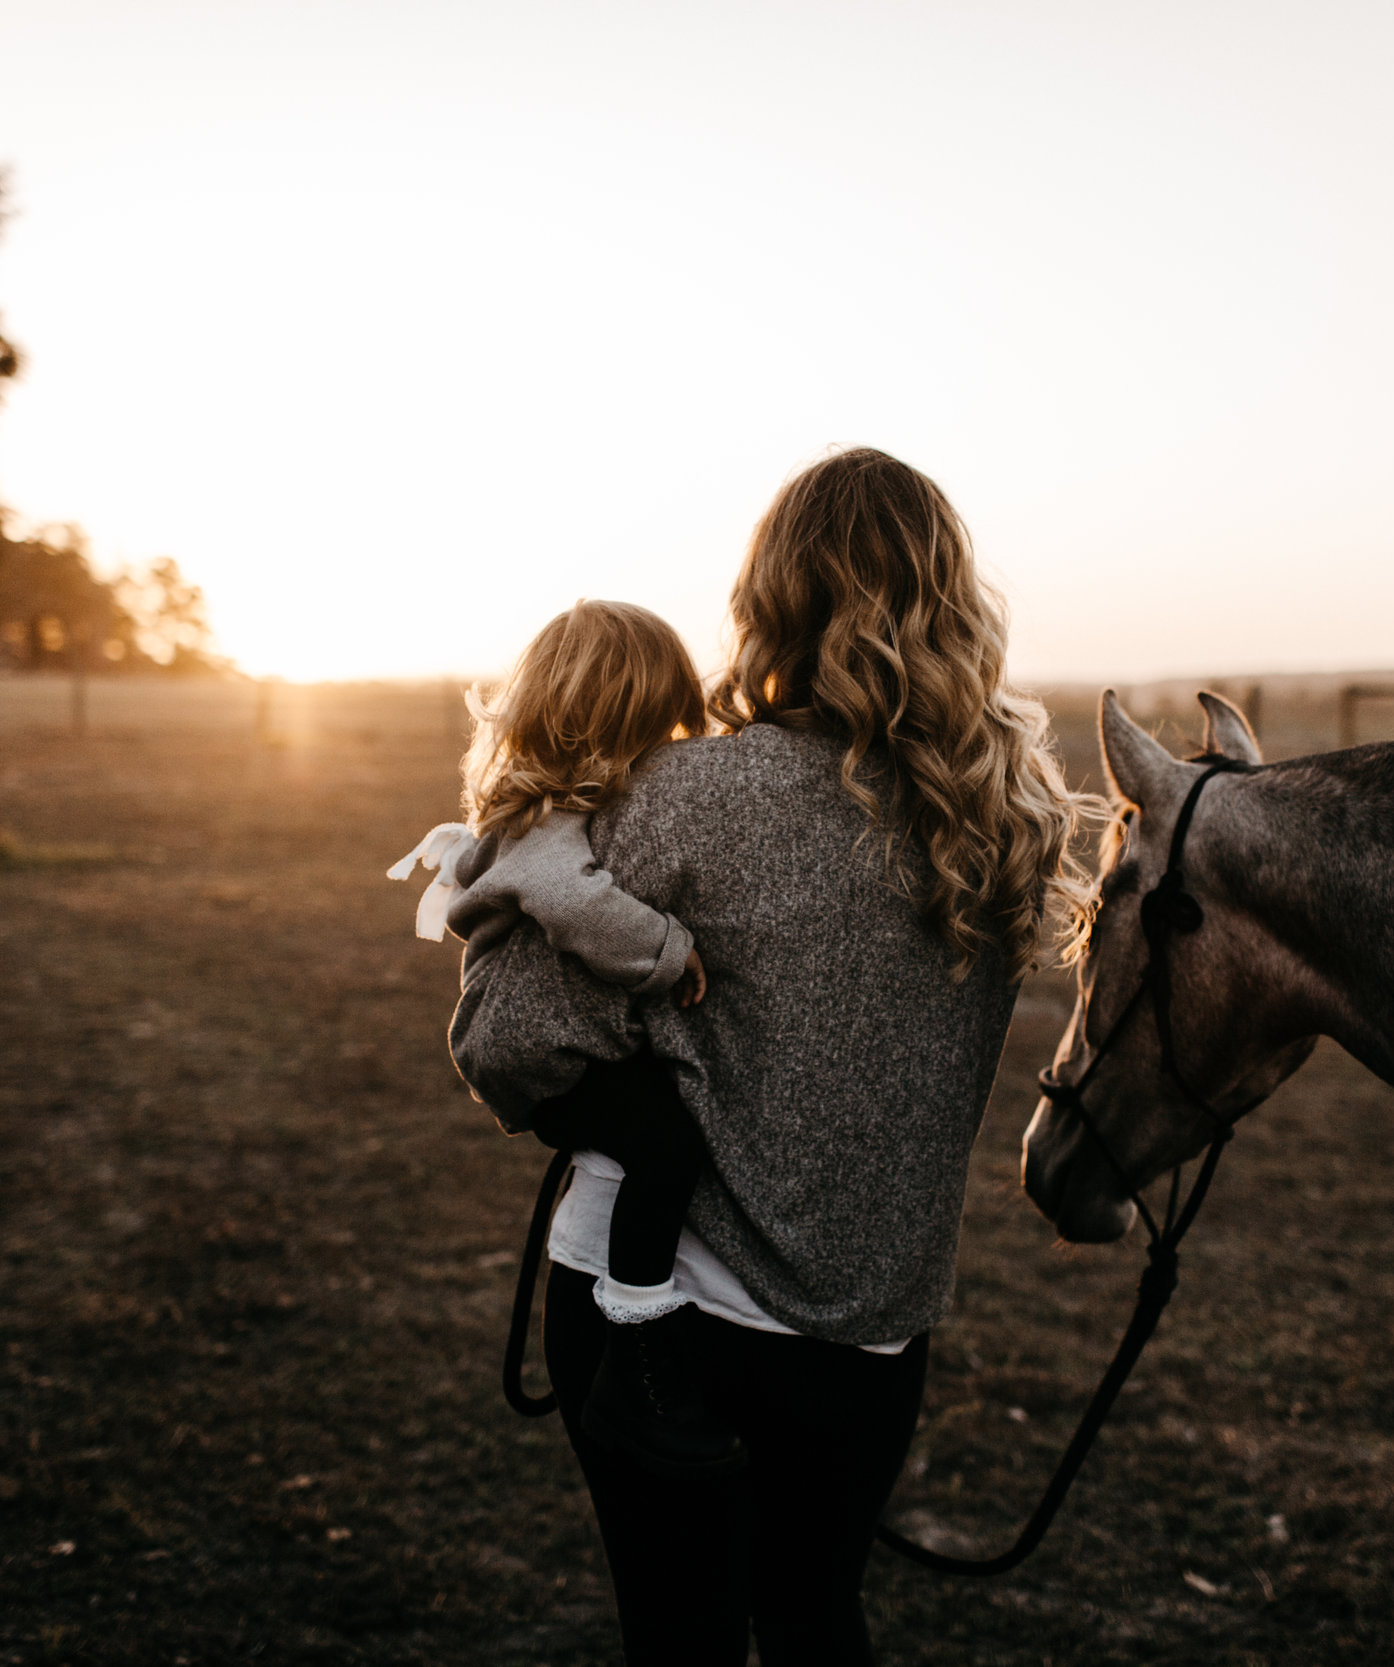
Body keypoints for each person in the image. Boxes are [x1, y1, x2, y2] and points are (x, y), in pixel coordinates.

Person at [449, 448, 1084, 1666]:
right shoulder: (1004, 820)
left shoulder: (693, 791)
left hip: (663, 1317)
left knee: (680, 1641)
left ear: (768, 598)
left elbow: (509, 1045)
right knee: (812, 1617)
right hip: (870, 1329)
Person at [390, 598, 741, 1477]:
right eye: (661, 724)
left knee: (652, 1136)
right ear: (622, 716)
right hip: (529, 1047)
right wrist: (670, 952)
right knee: (667, 1145)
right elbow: (579, 905)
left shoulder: (538, 807)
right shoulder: (546, 826)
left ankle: (635, 1331)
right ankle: (639, 1339)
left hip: (529, 1043)